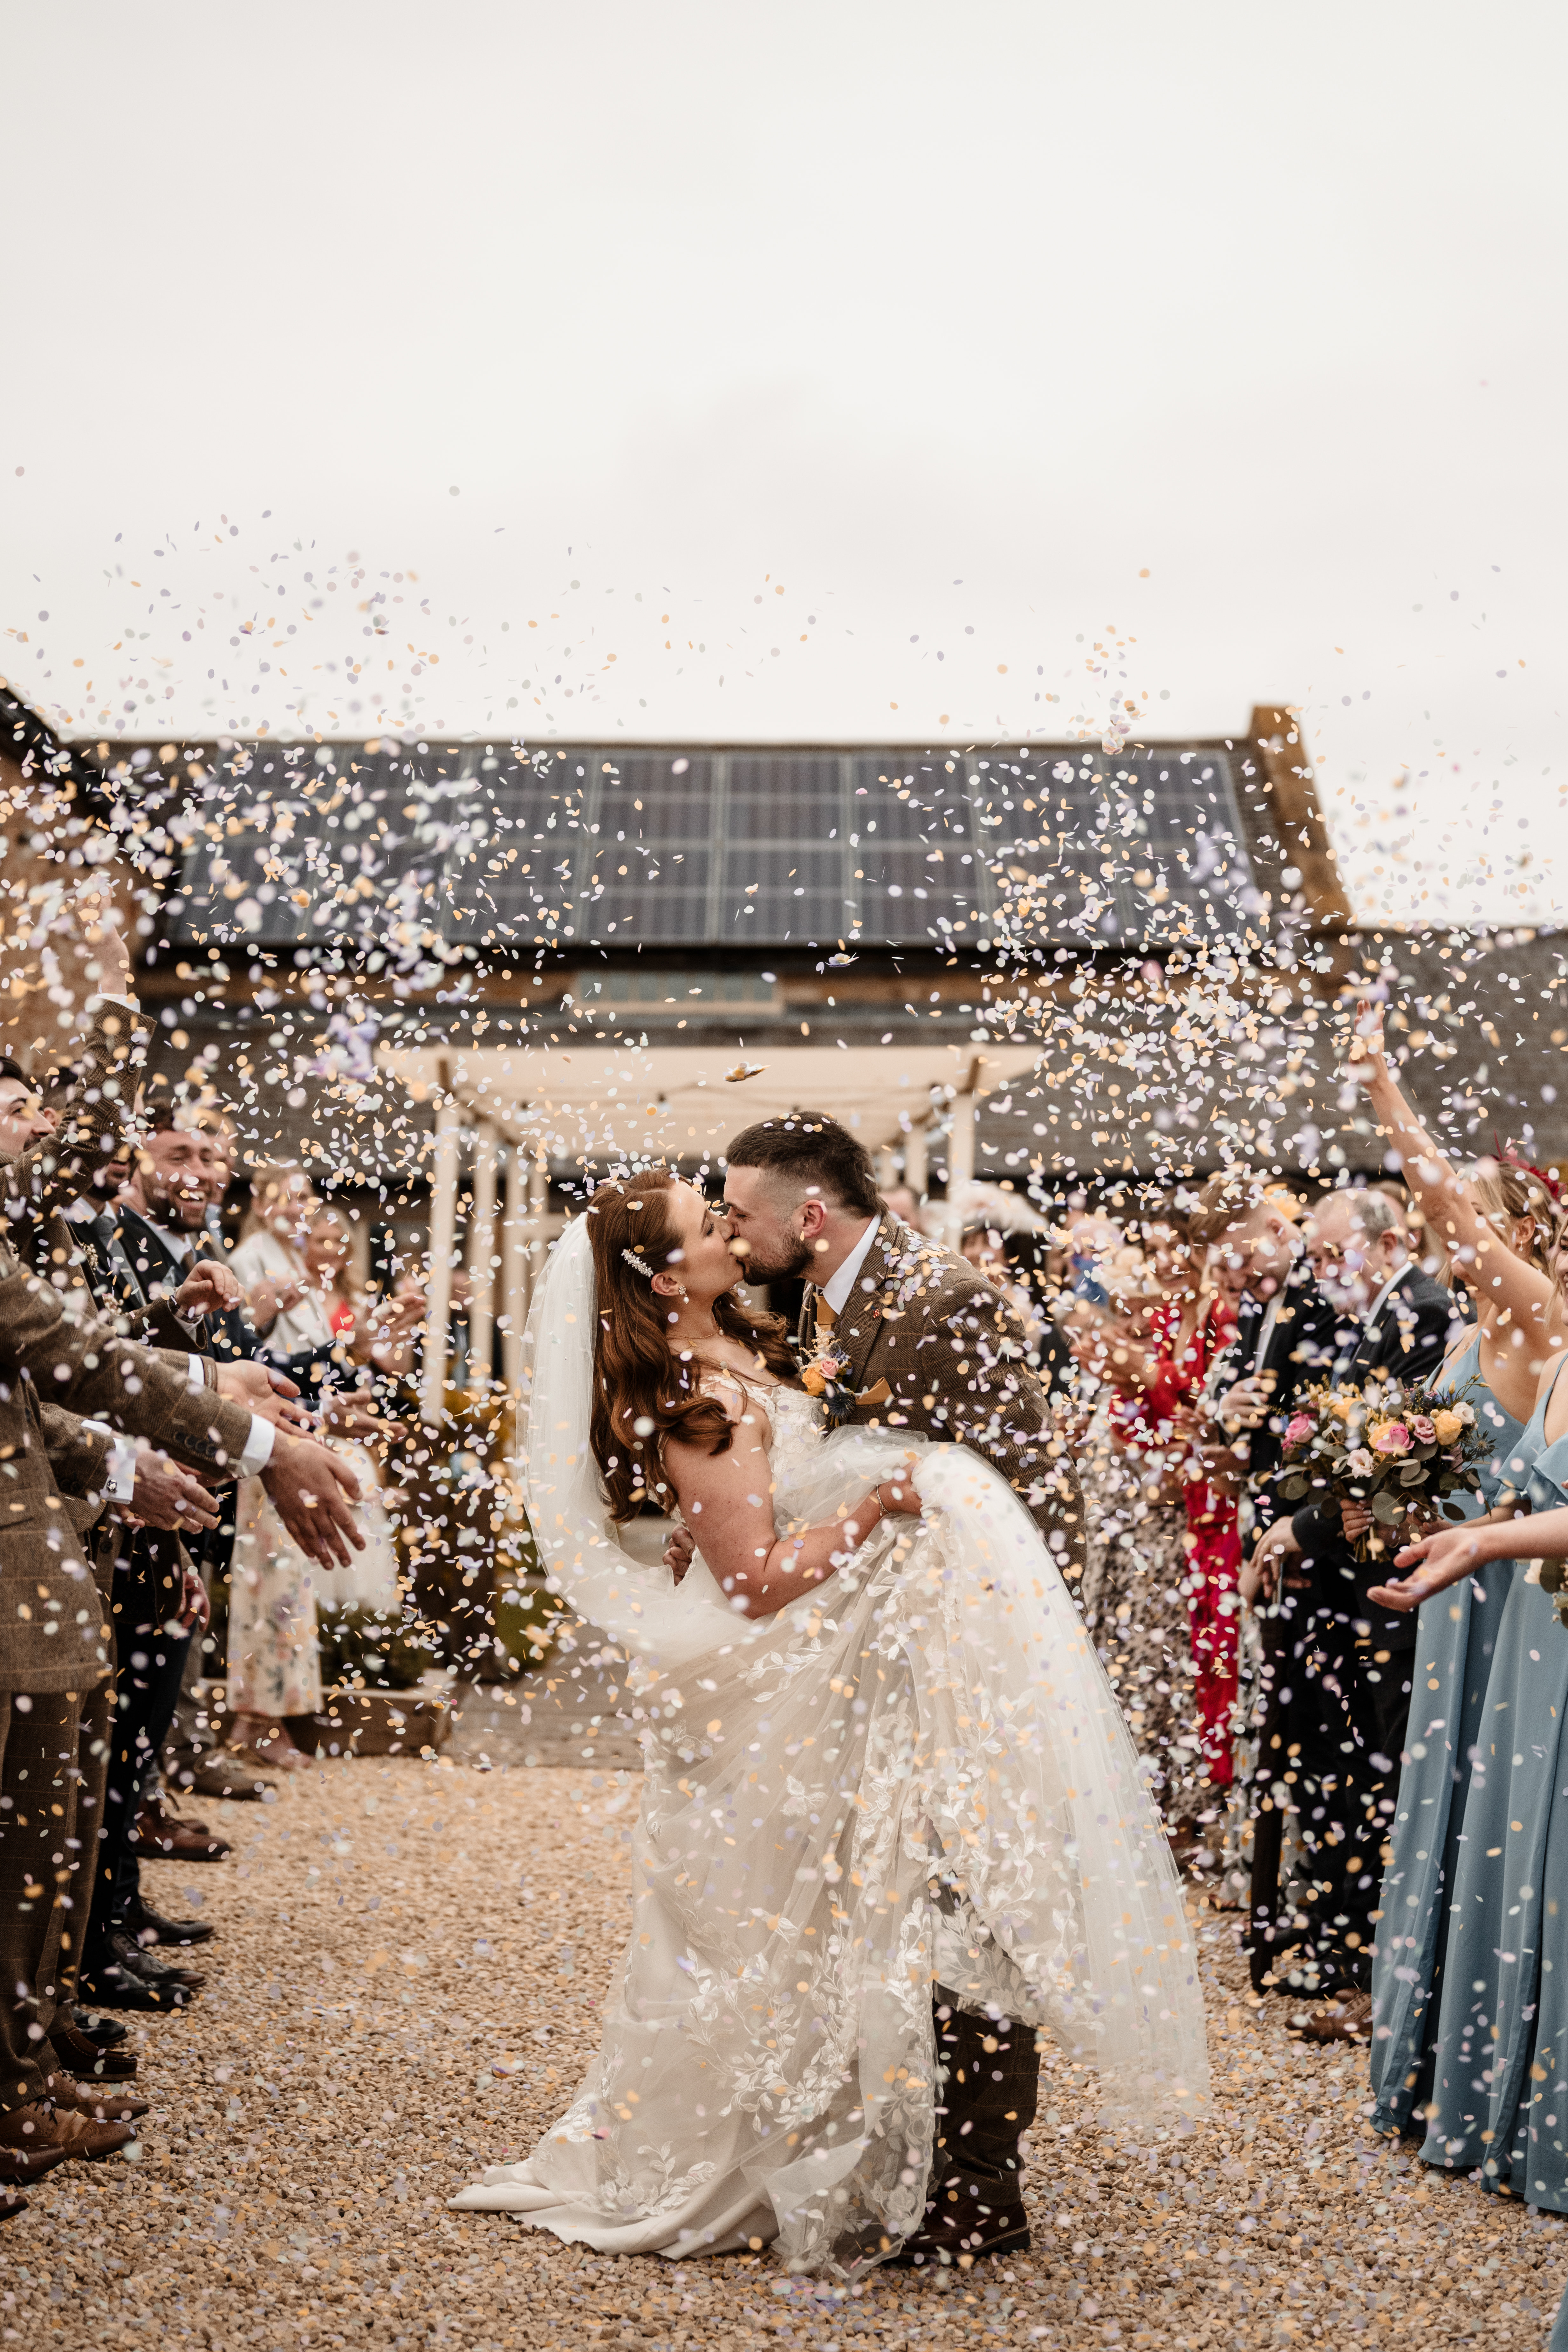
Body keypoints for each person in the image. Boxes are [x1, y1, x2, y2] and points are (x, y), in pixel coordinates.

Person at [453, 1163, 1208, 2276]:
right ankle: (806, 2138)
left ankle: (884, 2135)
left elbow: (744, 1521)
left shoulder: (748, 1350)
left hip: (845, 1662)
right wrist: (868, 1507)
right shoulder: (692, 1401)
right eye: (702, 1224)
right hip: (789, 1671)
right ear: (664, 1281)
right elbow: (754, 1581)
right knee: (805, 1914)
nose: (724, 1227)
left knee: (854, 1912)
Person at [0, 1228, 363, 2190]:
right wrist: (251, 1436)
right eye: (16, 1097)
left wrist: (131, 1461)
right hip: (22, 1557)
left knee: (48, 1849)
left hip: (48, 1548)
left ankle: (21, 2072)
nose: (31, 1117)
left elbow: (36, 1369)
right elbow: (48, 1348)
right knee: (27, 1848)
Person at [1243, 1185, 1456, 2035]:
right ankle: (1355, 1959)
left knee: (1388, 1769)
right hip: (1350, 1582)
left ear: (1390, 1239)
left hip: (1394, 1580)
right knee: (1357, 1764)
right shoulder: (1377, 1312)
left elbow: (1394, 1464)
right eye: (1317, 1258)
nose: (1323, 1274)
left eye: (1335, 1255)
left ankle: (1384, 1981)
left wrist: (1297, 1526)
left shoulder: (1423, 1312)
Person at [224, 1167, 337, 1769]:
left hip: (304, 1429)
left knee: (292, 1586)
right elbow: (237, 1348)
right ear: (264, 1205)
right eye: (288, 1197)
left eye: (307, 1197)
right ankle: (254, 1717)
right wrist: (269, 1307)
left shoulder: (296, 1265)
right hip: (268, 1439)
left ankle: (273, 1714)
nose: (300, 1207)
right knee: (268, 1582)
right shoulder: (250, 1259)